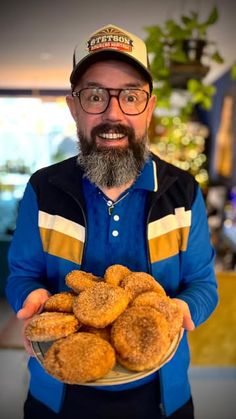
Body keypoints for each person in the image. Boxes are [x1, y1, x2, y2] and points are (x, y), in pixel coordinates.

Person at [5, 24, 218, 419]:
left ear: (150, 108)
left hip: (161, 398)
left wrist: (182, 310)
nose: (113, 113)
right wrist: (29, 300)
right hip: (58, 396)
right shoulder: (43, 188)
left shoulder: (184, 193)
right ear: (74, 107)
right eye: (95, 95)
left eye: (131, 96)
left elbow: (204, 284)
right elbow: (22, 274)